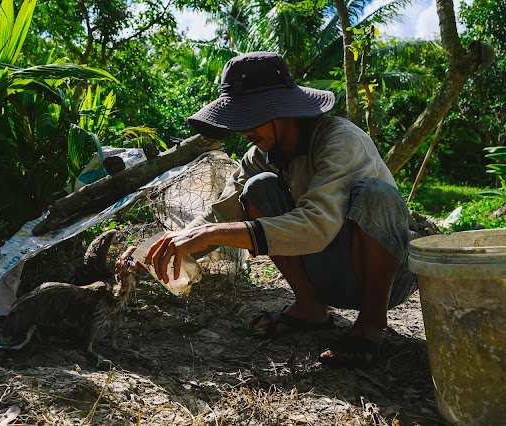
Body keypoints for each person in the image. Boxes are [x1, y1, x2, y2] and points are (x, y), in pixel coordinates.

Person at [116, 51, 416, 368]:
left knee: (376, 194)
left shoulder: (341, 141)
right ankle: (310, 306)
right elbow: (222, 213)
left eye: (249, 116)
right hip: (329, 273)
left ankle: (371, 325)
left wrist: (210, 235)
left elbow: (315, 226)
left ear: (281, 109)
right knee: (257, 187)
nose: (242, 129)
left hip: (384, 279)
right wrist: (163, 248)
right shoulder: (260, 155)